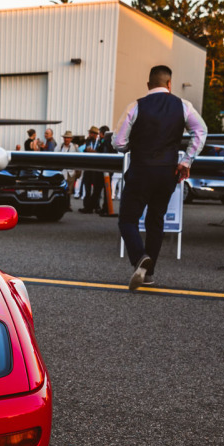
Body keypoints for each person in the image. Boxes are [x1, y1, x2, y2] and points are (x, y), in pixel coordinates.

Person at [112, 64, 208, 289]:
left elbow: (119, 142)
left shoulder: (135, 106)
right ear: (169, 84)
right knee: (156, 220)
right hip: (168, 172)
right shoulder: (183, 106)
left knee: (127, 219)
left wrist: (128, 148)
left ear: (148, 84)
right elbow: (200, 131)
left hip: (141, 169)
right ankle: (149, 273)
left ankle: (139, 258)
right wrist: (186, 161)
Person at [79, 126, 102, 212]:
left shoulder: (100, 142)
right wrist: (86, 150)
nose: (89, 134)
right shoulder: (88, 141)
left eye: (91, 133)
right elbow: (85, 150)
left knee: (96, 189)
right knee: (87, 188)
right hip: (88, 168)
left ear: (95, 134)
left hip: (96, 168)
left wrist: (95, 152)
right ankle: (87, 206)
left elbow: (102, 152)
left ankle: (96, 205)